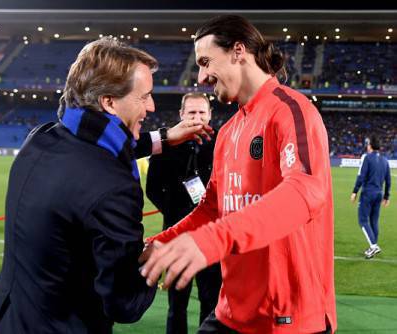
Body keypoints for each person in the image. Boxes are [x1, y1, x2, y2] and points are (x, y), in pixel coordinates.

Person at [0, 37, 210, 334]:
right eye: (144, 97)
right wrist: (153, 259)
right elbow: (124, 303)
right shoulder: (113, 187)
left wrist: (164, 137)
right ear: (110, 102)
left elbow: (101, 143)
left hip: (4, 319)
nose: (152, 106)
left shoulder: (40, 138)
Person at [140, 15, 336, 333]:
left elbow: (305, 191)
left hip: (286, 318)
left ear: (238, 51)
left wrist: (209, 241)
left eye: (205, 62)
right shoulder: (229, 131)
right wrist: (159, 243)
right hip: (231, 311)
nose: (201, 76)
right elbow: (212, 210)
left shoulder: (291, 110)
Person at [146, 92, 221, 334]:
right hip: (177, 234)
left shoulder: (222, 142)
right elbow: (153, 188)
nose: (197, 117)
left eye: (201, 112)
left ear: (210, 115)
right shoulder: (166, 145)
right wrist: (177, 213)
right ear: (181, 114)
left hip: (213, 235)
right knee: (176, 303)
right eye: (191, 112)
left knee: (211, 302)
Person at [351, 136, 391, 259]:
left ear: (370, 146)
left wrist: (355, 191)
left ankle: (373, 246)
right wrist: (386, 196)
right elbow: (388, 180)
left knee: (363, 220)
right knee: (374, 221)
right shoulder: (385, 161)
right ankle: (373, 247)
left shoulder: (367, 158)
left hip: (368, 193)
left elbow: (361, 176)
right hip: (378, 194)